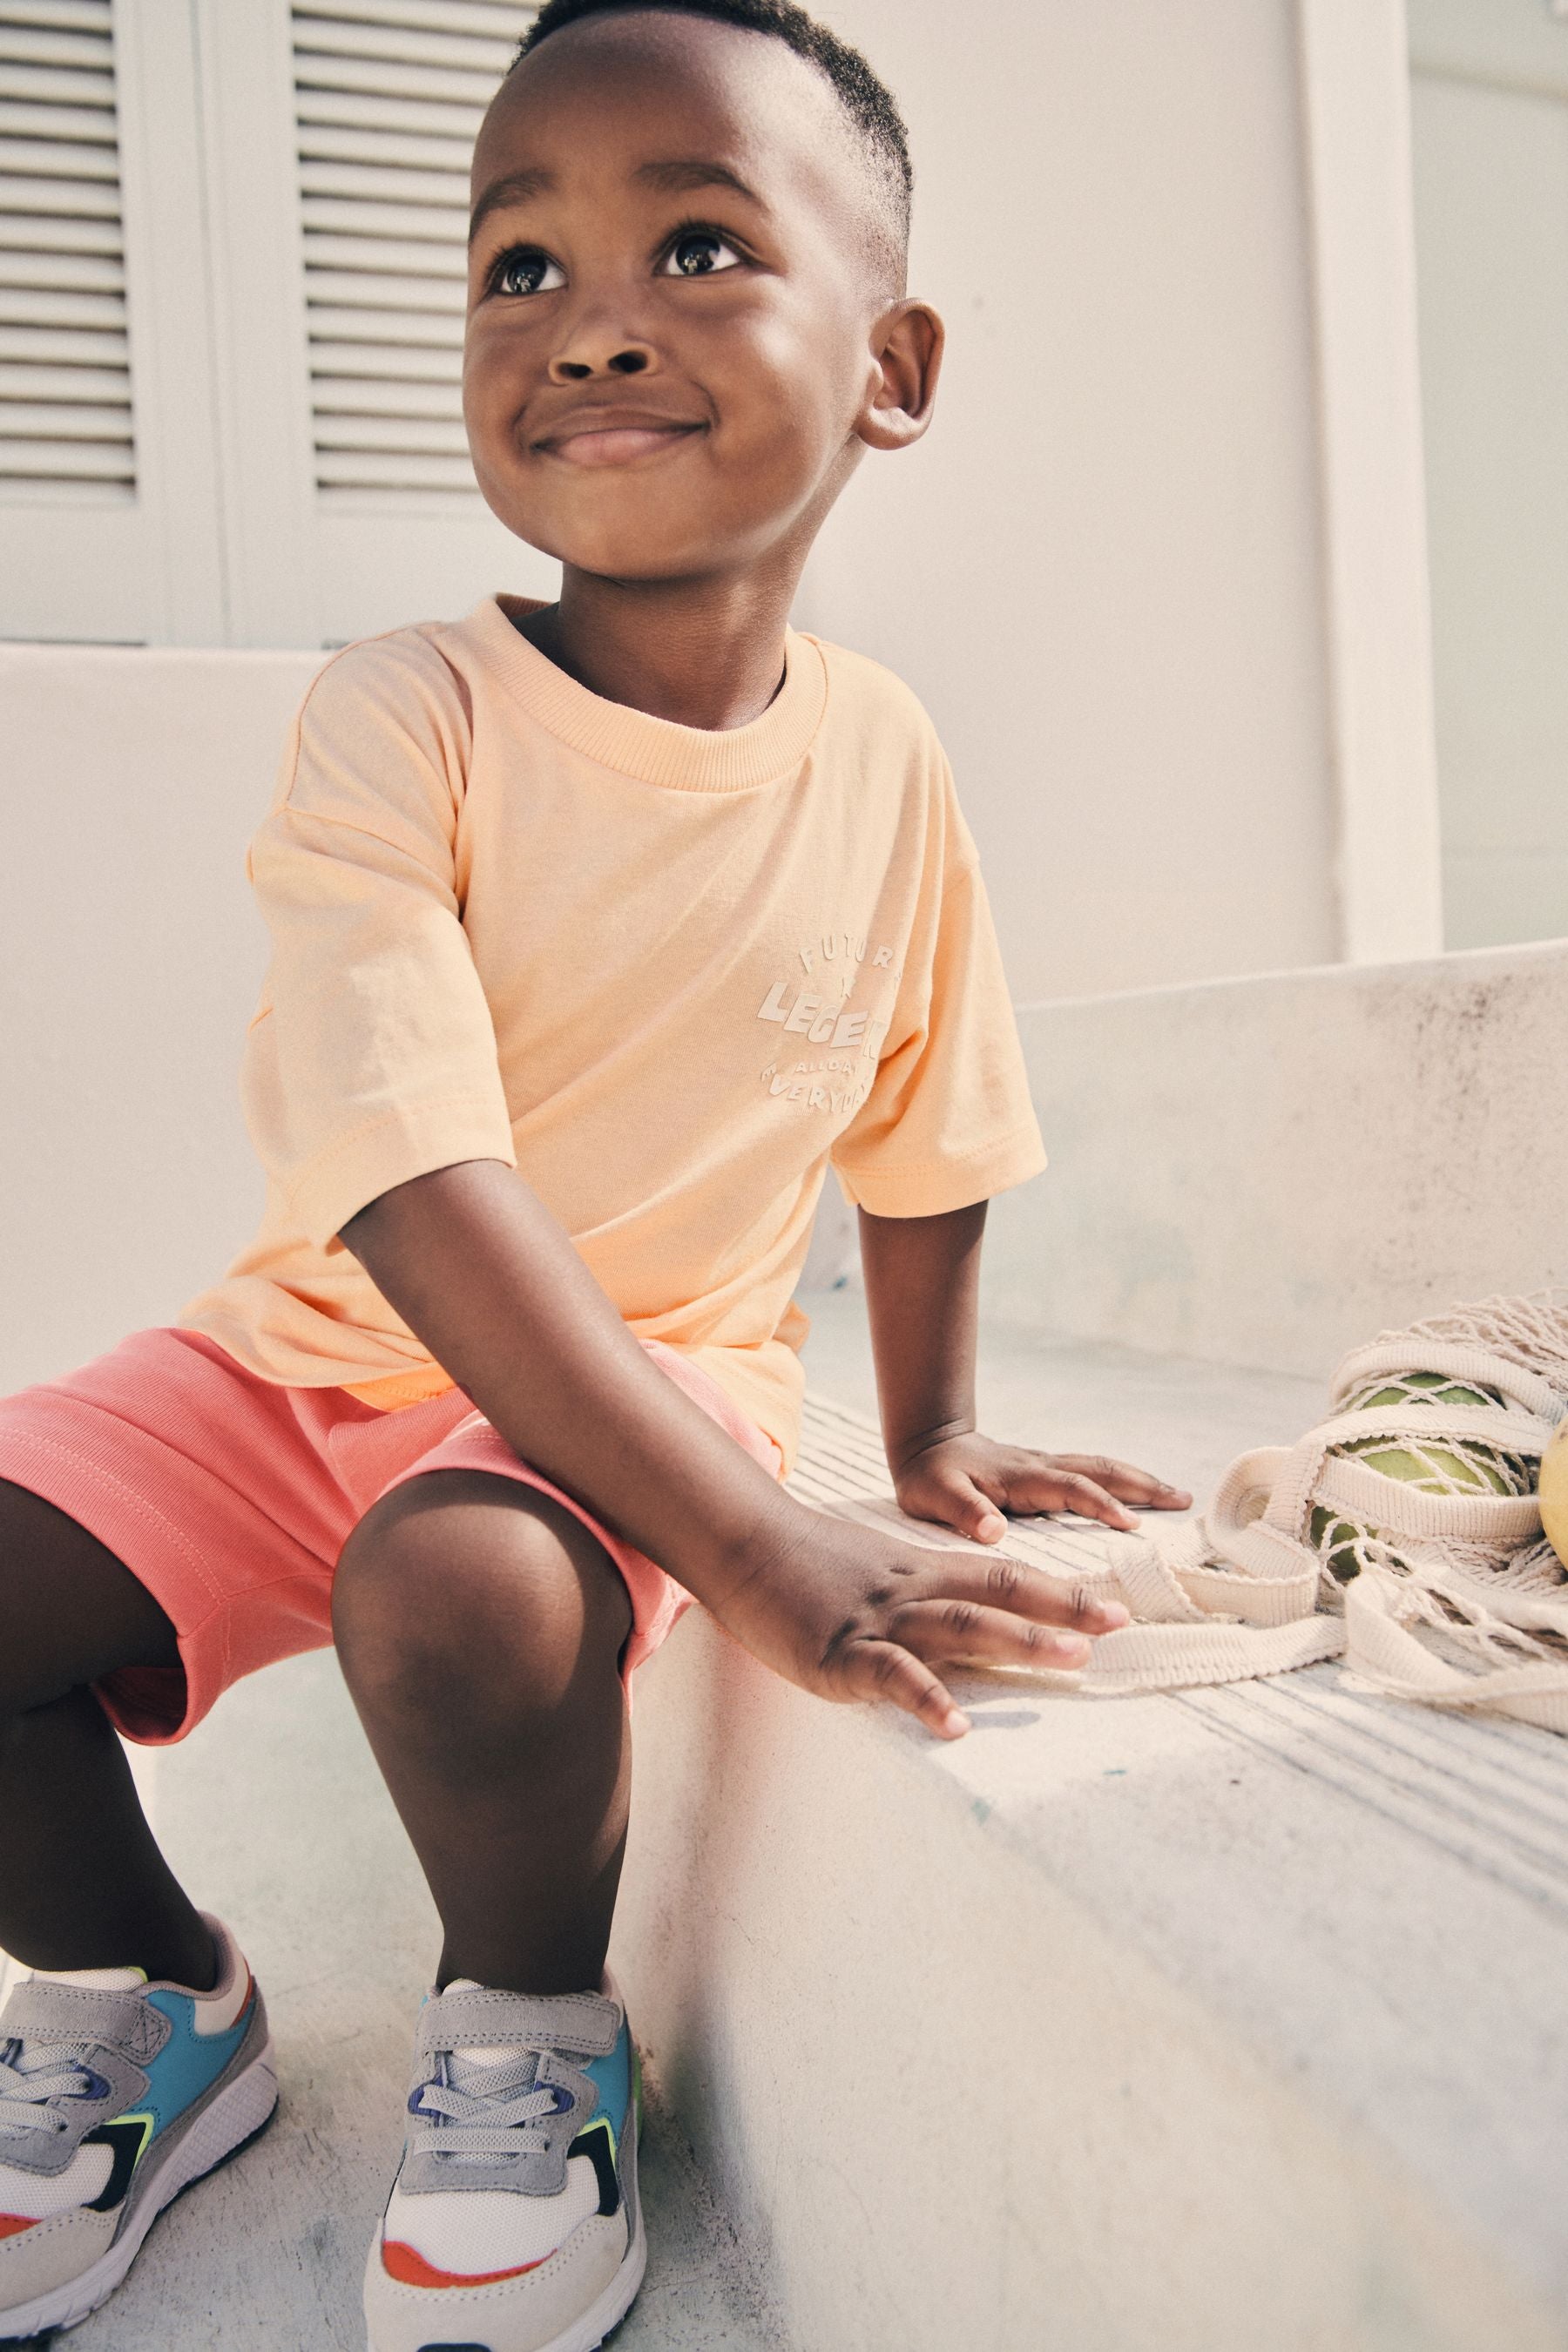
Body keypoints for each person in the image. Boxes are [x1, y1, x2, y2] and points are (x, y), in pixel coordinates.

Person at [0, 3, 1192, 2345]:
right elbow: (402, 1152)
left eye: (698, 240)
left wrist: (927, 1436)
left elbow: (928, 1118)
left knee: (464, 1595)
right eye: (515, 267)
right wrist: (754, 1551)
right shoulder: (404, 709)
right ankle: (143, 1994)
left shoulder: (884, 761)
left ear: (894, 364)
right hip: (303, 1356)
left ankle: (527, 2032)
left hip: (651, 1368)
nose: (592, 315)